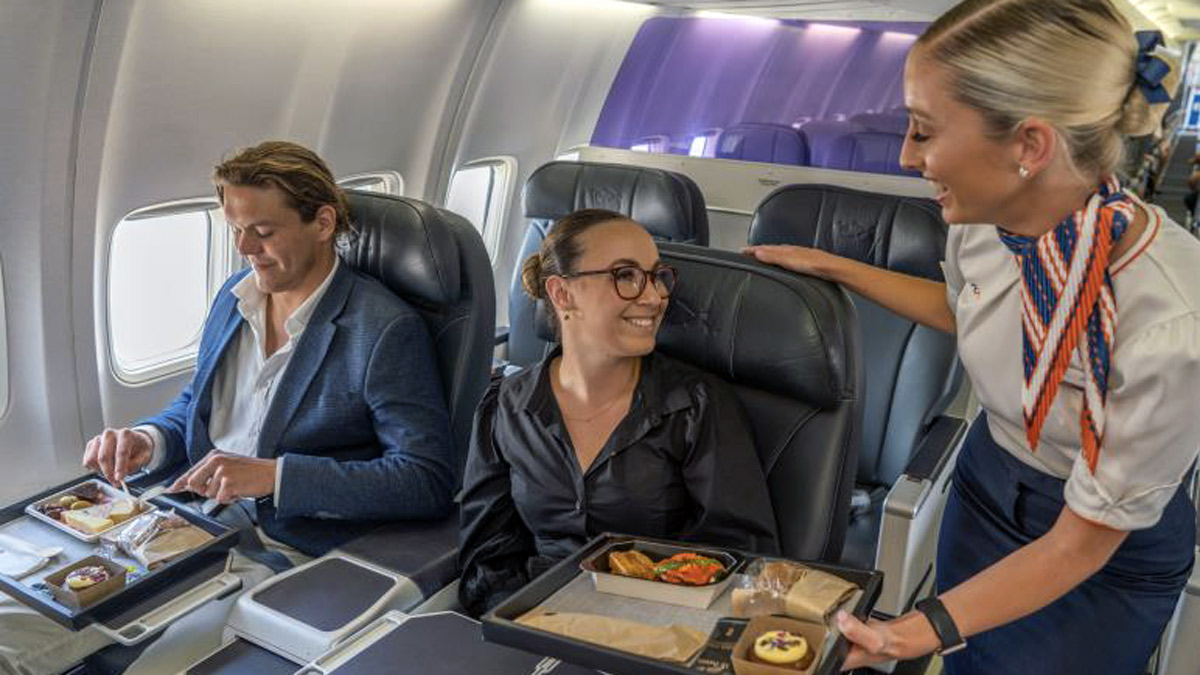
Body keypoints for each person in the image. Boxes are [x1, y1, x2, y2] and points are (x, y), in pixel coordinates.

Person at [746, 3, 1199, 673]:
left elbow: (1081, 543)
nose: (905, 154)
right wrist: (831, 267)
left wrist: (906, 634)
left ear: (1029, 144)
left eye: (924, 130)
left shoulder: (1170, 323)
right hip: (987, 482)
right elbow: (970, 311)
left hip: (1100, 543)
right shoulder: (982, 221)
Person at [0, 140, 454, 674]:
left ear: (323, 222)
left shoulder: (381, 329)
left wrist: (274, 477)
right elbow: (199, 404)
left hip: (271, 543)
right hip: (177, 517)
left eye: (262, 232)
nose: (244, 248)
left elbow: (425, 478)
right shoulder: (235, 297)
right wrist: (149, 440)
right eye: (235, 230)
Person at [458, 209, 780, 616]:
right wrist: (516, 622)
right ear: (562, 294)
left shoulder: (696, 406)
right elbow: (488, 555)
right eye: (625, 276)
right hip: (536, 622)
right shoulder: (505, 406)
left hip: (659, 629)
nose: (654, 296)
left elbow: (740, 558)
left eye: (656, 276)